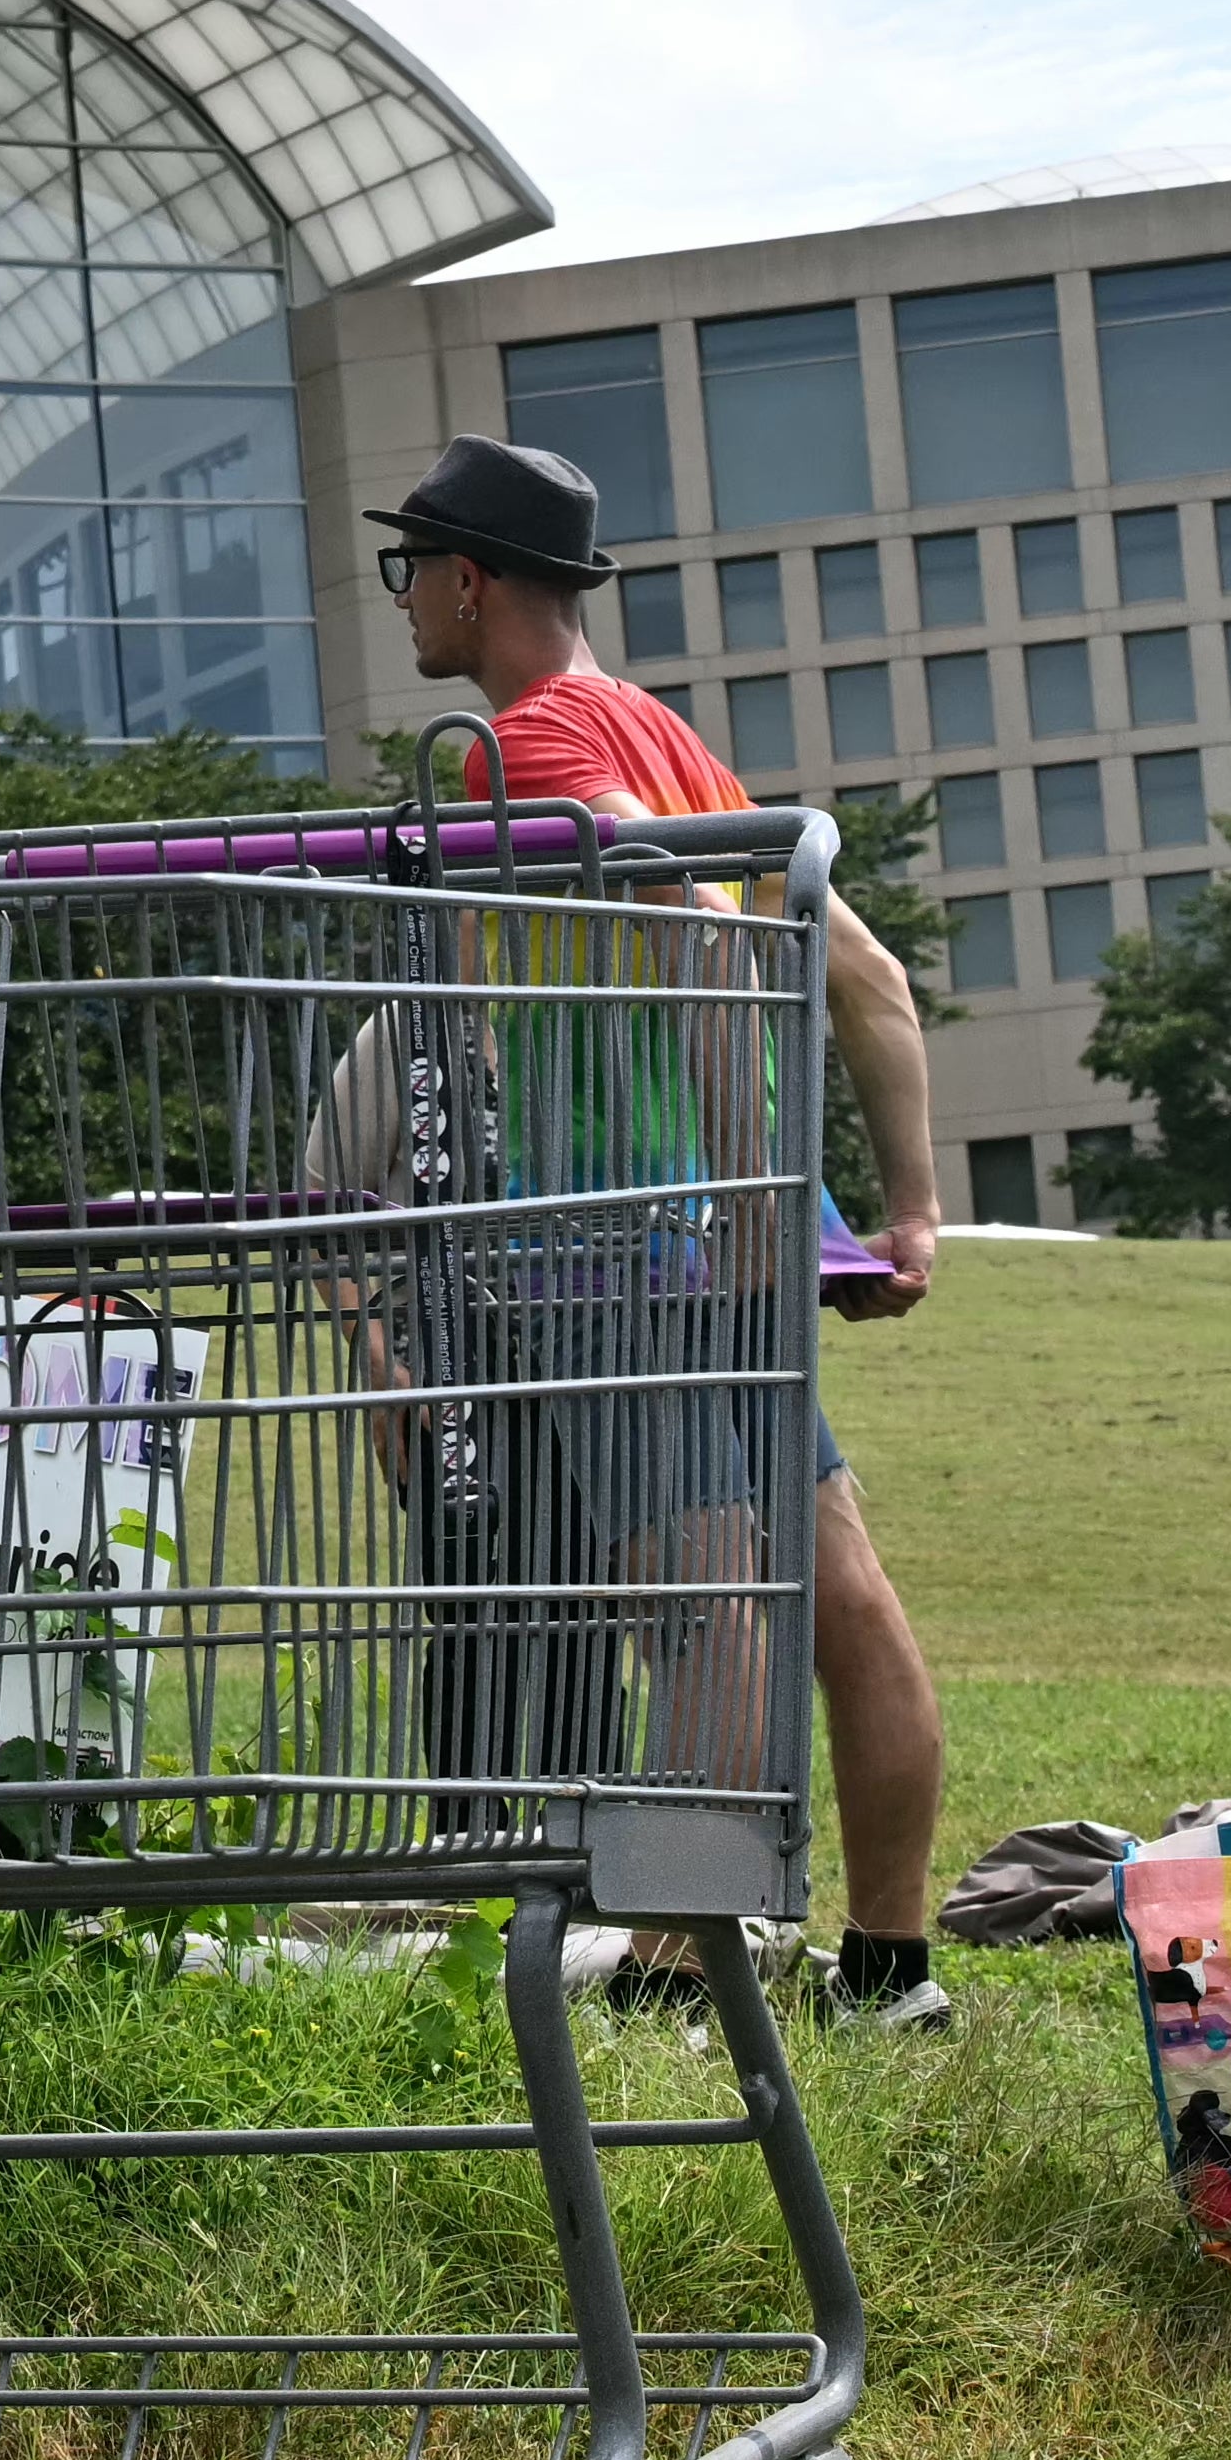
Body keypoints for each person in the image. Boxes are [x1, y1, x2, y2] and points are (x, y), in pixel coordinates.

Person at [371, 434, 959, 2029]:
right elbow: (875, 983)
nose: (405, 602)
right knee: (835, 1589)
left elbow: (700, 962)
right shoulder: (660, 733)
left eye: (407, 569)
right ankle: (893, 1970)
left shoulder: (544, 744)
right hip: (723, 1225)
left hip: (632, 1236)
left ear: (470, 578)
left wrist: (755, 1190)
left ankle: (683, 1967)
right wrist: (902, 1211)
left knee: (699, 1590)